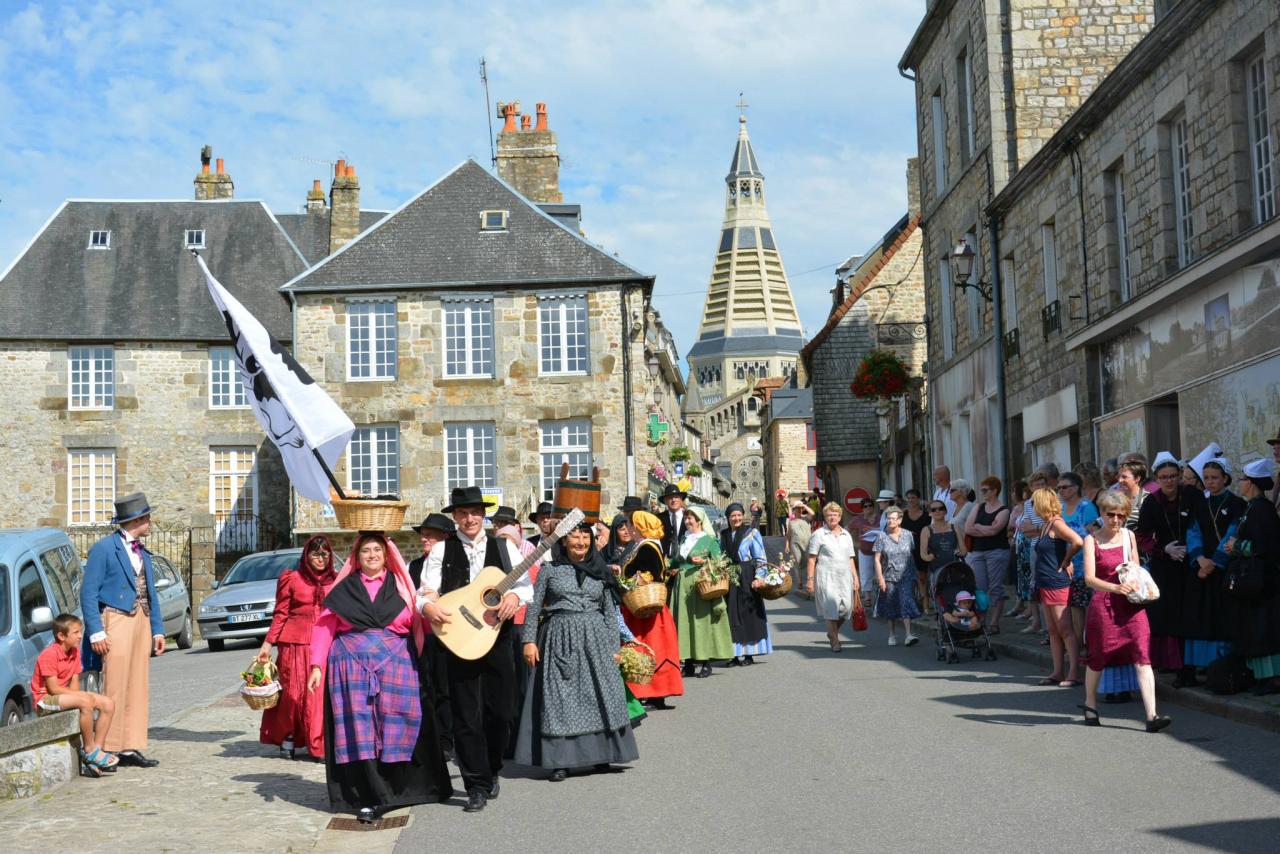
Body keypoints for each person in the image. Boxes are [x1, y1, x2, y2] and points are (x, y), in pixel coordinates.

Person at [308, 532, 452, 822]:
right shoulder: (344, 589)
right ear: (356, 558)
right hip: (349, 667)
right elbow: (324, 628)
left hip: (396, 665)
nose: (372, 555)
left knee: (398, 722)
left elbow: (417, 622)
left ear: (387, 555)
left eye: (377, 550)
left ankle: (401, 791)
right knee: (359, 731)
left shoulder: (402, 587)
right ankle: (365, 794)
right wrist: (316, 665)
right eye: (365, 551)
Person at [419, 486, 531, 813]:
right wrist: (427, 608)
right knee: (465, 714)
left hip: (498, 636)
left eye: (475, 513)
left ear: (484, 516)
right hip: (457, 639)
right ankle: (475, 784)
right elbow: (424, 593)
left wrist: (513, 597)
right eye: (463, 513)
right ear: (454, 517)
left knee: (501, 712)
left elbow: (525, 587)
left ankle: (492, 766)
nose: (469, 519)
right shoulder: (442, 550)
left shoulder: (504, 547)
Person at [516, 516, 639, 781]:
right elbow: (534, 607)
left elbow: (609, 611)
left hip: (596, 639)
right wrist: (528, 640)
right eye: (575, 536)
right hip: (560, 636)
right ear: (564, 540)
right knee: (560, 699)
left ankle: (603, 754)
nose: (581, 542)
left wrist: (614, 646)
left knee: (600, 695)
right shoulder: (550, 570)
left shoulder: (601, 570)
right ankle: (560, 760)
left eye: (586, 537)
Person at [79, 492, 165, 768]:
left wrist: (158, 630)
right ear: (136, 520)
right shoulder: (104, 548)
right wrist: (96, 631)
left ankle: (130, 745)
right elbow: (88, 593)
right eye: (147, 518)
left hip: (141, 618)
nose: (150, 522)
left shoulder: (143, 552)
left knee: (138, 686)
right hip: (115, 619)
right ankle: (108, 746)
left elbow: (151, 593)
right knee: (114, 685)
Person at [1081, 492, 1172, 733]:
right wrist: (1115, 587)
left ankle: (1152, 715)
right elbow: (1089, 579)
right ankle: (1090, 704)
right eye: (1110, 514)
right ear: (1101, 513)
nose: (1115, 520)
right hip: (1105, 605)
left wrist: (1134, 583)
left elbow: (1136, 568)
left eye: (1121, 515)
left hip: (1131, 605)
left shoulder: (1129, 536)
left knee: (1143, 656)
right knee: (1098, 657)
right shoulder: (1091, 541)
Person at [257, 535, 337, 760]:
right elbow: (281, 613)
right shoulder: (292, 579)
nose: (320, 559)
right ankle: (288, 736)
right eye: (315, 554)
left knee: (317, 695)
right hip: (293, 643)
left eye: (324, 554)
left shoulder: (337, 581)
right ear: (306, 555)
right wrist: (268, 643)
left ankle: (317, 742)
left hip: (324, 644)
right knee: (292, 693)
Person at [1183, 446, 1245, 674]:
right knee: (1201, 616)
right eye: (1206, 478)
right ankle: (1203, 663)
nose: (1209, 482)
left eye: (1215, 478)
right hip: (1201, 569)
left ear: (1225, 478)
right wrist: (1200, 559)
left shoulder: (1237, 503)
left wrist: (1214, 562)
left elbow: (1233, 532)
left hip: (1223, 569)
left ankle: (1223, 662)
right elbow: (1193, 532)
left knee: (1222, 617)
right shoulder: (1200, 505)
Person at [32, 614, 117, 776]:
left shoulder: (75, 652)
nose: (80, 636)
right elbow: (54, 689)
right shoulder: (49, 655)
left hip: (63, 696)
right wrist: (83, 697)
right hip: (44, 700)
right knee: (85, 701)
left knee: (108, 704)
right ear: (61, 636)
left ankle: (96, 752)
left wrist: (82, 696)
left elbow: (75, 683)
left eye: (80, 632)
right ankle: (89, 748)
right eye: (76, 632)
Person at [1136, 453, 1194, 683]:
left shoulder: (1191, 495)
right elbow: (1142, 536)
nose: (1169, 481)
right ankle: (1170, 662)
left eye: (1173, 476)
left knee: (1188, 612)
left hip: (1190, 561)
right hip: (1164, 564)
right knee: (1167, 613)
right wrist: (1164, 549)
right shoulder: (1151, 502)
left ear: (1179, 476)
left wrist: (1193, 547)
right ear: (1157, 479)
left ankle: (1189, 665)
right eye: (1163, 477)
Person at [618, 511, 684, 708]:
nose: (628, 529)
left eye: (631, 525)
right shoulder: (643, 545)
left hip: (647, 606)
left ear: (639, 527)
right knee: (650, 646)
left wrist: (630, 579)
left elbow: (652, 574)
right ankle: (651, 693)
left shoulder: (648, 547)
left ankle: (653, 692)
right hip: (641, 606)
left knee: (649, 646)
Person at [1227, 457, 1280, 694]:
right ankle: (1261, 676)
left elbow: (1264, 546)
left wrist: (1236, 547)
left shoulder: (1262, 509)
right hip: (1257, 583)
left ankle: (1273, 678)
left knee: (1265, 628)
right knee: (1257, 627)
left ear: (1251, 483)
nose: (1239, 482)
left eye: (1242, 479)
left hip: (1264, 582)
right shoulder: (1254, 507)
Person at [406, 513, 457, 759]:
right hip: (421, 634)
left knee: (447, 688)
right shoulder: (413, 566)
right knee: (426, 687)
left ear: (444, 538)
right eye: (423, 535)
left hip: (449, 634)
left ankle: (448, 740)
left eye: (430, 535)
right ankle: (432, 737)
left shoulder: (456, 565)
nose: (424, 539)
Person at [668, 505, 733, 676]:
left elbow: (720, 563)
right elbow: (675, 561)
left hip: (700, 584)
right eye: (686, 518)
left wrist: (704, 564)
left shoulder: (710, 540)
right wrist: (671, 563)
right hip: (682, 585)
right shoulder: (684, 539)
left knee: (700, 622)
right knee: (684, 622)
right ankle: (688, 662)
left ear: (699, 521)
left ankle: (705, 662)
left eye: (691, 518)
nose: (688, 521)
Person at [1030, 487, 1084, 688]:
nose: (1033, 507)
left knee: (1065, 629)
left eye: (1035, 502)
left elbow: (1077, 541)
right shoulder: (1046, 525)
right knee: (1052, 630)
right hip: (1045, 582)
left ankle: (1073, 673)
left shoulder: (1056, 523)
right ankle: (1057, 671)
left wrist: (1066, 560)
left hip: (1056, 581)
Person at [720, 503, 771, 666]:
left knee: (749, 613)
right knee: (731, 613)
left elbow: (760, 557)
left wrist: (759, 577)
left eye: (739, 515)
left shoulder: (751, 533)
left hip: (747, 574)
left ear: (743, 516)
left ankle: (749, 654)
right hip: (730, 575)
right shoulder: (724, 534)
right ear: (728, 518)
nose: (736, 518)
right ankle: (733, 654)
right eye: (732, 516)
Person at [807, 502, 861, 652]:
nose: (832, 517)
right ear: (825, 517)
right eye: (829, 515)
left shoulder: (846, 535)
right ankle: (835, 641)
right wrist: (810, 580)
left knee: (846, 609)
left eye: (835, 514)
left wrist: (855, 578)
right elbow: (812, 559)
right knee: (831, 609)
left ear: (840, 516)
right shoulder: (818, 535)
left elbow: (851, 558)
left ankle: (831, 632)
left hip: (844, 577)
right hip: (826, 576)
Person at [1058, 472, 1100, 657]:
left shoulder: (1086, 507)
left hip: (1085, 564)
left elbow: (1094, 533)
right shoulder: (1060, 508)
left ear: (1076, 487)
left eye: (1064, 487)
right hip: (1066, 565)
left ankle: (1091, 642)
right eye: (1059, 488)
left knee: (1089, 605)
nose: (1061, 490)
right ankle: (1079, 643)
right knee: (1074, 605)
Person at [964, 476, 1011, 632]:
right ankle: (982, 619)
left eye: (985, 490)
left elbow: (995, 530)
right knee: (979, 588)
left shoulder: (1004, 510)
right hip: (977, 552)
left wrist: (979, 527)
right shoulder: (979, 507)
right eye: (982, 490)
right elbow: (968, 528)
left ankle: (994, 622)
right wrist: (985, 529)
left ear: (995, 491)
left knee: (996, 587)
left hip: (997, 551)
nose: (982, 492)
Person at [874, 507, 921, 646]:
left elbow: (910, 555)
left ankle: (908, 634)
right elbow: (877, 559)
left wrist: (915, 575)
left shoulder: (908, 535)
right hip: (889, 576)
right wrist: (880, 578)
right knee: (891, 605)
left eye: (894, 518)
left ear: (900, 520)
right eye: (888, 518)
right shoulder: (881, 536)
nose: (890, 520)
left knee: (906, 601)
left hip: (906, 575)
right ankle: (892, 634)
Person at [919, 497, 966, 610]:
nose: (938, 511)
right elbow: (923, 554)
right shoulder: (927, 530)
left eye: (940, 509)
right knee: (941, 601)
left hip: (954, 568)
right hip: (937, 570)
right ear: (930, 513)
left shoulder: (954, 527)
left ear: (945, 511)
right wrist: (928, 557)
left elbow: (964, 550)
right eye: (934, 510)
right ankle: (943, 621)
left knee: (956, 597)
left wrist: (960, 552)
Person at [900, 490, 930, 614]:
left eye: (913, 497)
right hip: (906, 549)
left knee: (922, 578)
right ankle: (912, 604)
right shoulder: (902, 514)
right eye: (908, 498)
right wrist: (906, 533)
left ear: (918, 499)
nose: (911, 500)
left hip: (922, 548)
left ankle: (926, 606)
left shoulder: (927, 515)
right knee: (909, 579)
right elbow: (895, 529)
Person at [848, 499, 881, 611]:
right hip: (864, 550)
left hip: (880, 550)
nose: (868, 508)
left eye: (870, 506)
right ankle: (867, 597)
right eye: (865, 506)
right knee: (865, 574)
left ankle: (881, 595)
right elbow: (846, 530)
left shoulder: (880, 518)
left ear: (873, 506)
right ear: (862, 508)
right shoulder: (858, 519)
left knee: (880, 573)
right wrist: (854, 543)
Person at [785, 501, 814, 596]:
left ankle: (810, 580)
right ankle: (800, 582)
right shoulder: (791, 522)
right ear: (794, 510)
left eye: (800, 508)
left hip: (807, 544)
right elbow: (788, 534)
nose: (799, 510)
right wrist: (787, 545)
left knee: (809, 561)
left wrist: (804, 505)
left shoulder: (806, 519)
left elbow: (812, 513)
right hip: (795, 544)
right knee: (796, 562)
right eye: (797, 508)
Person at [658, 484, 690, 559]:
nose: (673, 500)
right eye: (670, 498)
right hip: (664, 561)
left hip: (685, 561)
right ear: (665, 501)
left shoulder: (689, 517)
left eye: (676, 497)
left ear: (681, 499)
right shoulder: (658, 518)